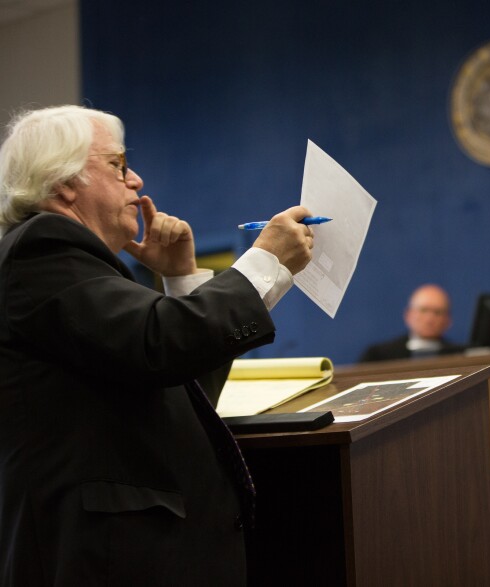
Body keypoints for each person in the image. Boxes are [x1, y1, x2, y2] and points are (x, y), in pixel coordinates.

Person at [0, 105, 316, 585]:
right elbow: (158, 342)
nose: (137, 180)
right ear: (63, 181)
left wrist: (182, 280)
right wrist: (265, 263)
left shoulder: (74, 267)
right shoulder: (41, 247)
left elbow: (179, 397)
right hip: (101, 559)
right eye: (118, 166)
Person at [359, 283, 466, 362]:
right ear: (408, 315)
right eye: (423, 310)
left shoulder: (462, 356)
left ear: (448, 320)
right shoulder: (379, 356)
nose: (429, 319)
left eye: (437, 312)